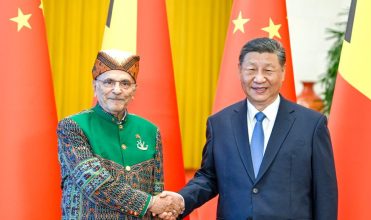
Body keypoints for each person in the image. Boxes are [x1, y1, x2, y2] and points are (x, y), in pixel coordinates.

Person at [177, 37, 338, 219]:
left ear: (283, 72)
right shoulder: (220, 123)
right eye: (251, 70)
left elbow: (325, 193)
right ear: (240, 71)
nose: (259, 78)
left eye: (268, 70)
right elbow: (209, 177)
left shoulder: (311, 125)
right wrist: (180, 200)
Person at [57, 49, 184, 219]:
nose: (117, 90)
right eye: (108, 82)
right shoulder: (73, 127)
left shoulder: (150, 130)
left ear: (134, 90)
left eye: (125, 83)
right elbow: (95, 184)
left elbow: (157, 189)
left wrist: (163, 211)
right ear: (95, 86)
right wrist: (152, 204)